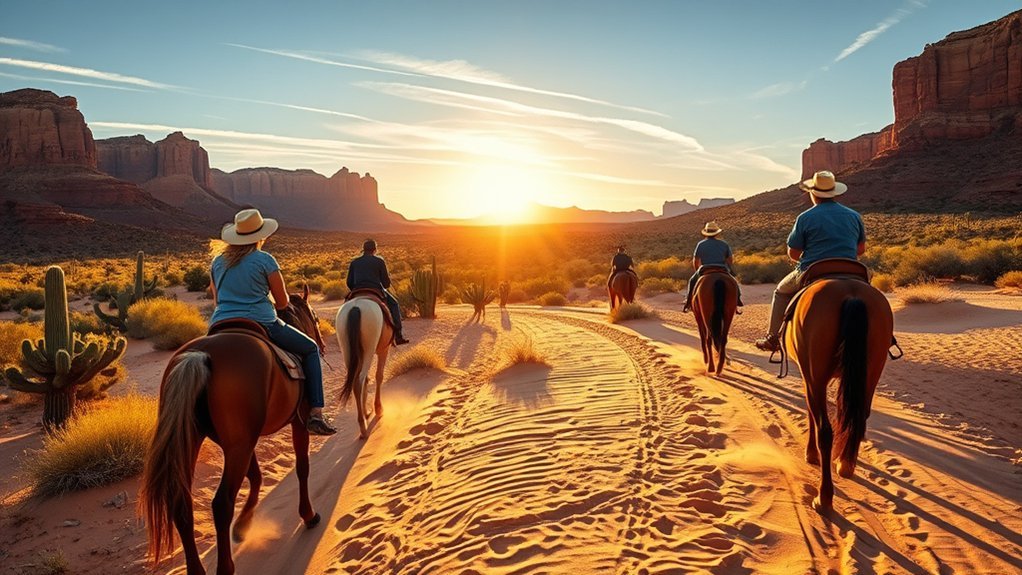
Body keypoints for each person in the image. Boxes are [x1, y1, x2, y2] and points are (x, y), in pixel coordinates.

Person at [209, 209, 336, 435]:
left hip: (219, 324)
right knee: (310, 348)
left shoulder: (217, 262)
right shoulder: (265, 260)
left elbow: (217, 299)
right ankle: (315, 413)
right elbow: (282, 302)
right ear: (261, 236)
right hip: (263, 322)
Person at [754, 171, 866, 352]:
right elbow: (860, 250)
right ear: (835, 192)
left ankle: (772, 338)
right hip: (852, 270)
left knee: (781, 293)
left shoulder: (805, 217)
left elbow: (794, 253)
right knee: (868, 292)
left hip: (813, 270)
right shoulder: (854, 216)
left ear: (813, 193)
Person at [346, 239, 409, 345]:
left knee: (345, 306)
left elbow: (349, 282)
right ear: (375, 250)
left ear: (363, 250)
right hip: (375, 290)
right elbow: (386, 284)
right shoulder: (379, 261)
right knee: (394, 304)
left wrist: (356, 290)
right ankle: (398, 336)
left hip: (357, 290)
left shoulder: (354, 262)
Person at [682, 221, 744, 313]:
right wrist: (728, 268)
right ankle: (737, 300)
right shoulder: (724, 244)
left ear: (706, 232)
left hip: (705, 269)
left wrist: (697, 271)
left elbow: (695, 261)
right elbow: (730, 259)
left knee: (692, 281)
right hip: (722, 268)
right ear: (717, 233)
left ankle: (688, 303)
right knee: (734, 282)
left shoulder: (701, 244)